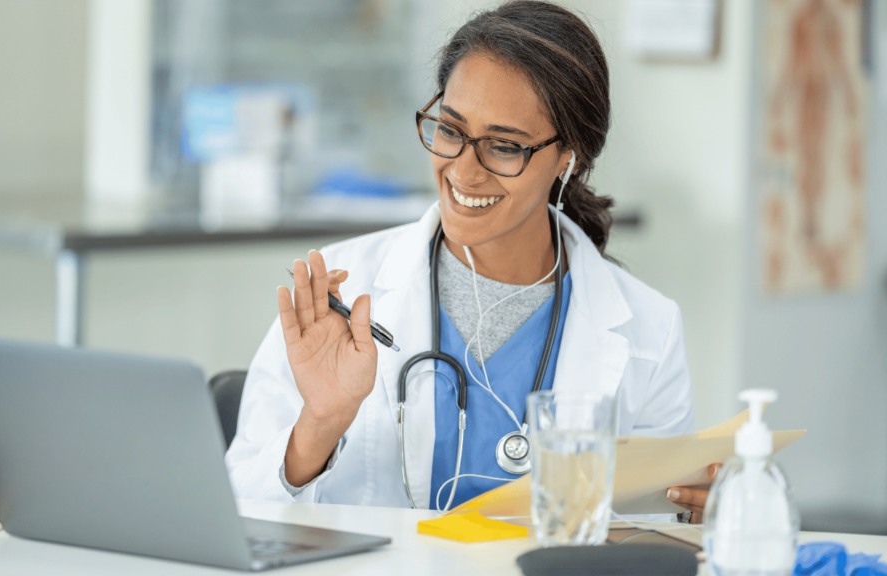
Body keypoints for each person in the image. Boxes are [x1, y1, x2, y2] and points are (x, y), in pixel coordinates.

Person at [228, 0, 713, 522]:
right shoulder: (338, 293)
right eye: (452, 130)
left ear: (568, 159)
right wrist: (321, 422)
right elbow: (235, 511)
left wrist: (697, 515)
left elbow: (650, 530)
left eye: (504, 146)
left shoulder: (648, 331)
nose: (464, 170)